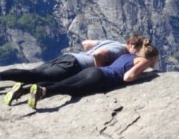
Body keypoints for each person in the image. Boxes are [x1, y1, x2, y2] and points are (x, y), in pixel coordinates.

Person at [0, 35, 145, 100]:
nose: (135, 53)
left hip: (70, 57)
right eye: (135, 49)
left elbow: (86, 43)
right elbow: (99, 55)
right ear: (130, 44)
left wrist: (90, 54)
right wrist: (101, 64)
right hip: (76, 65)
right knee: (37, 76)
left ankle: (4, 80)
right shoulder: (120, 49)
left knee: (37, 73)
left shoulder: (111, 41)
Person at [22, 39, 159, 110]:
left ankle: (24, 90)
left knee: (64, 83)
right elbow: (127, 77)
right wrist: (142, 75)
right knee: (73, 90)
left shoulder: (127, 55)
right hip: (102, 79)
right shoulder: (144, 61)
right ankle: (43, 91)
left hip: (93, 70)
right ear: (152, 57)